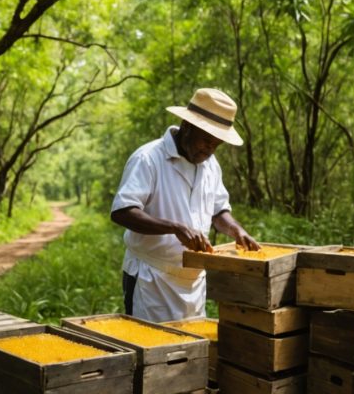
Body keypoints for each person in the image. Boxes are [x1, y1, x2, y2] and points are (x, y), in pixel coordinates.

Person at [111, 88, 260, 322]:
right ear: (187, 125)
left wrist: (235, 230)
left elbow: (219, 210)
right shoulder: (149, 158)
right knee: (151, 352)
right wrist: (173, 227)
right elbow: (122, 211)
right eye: (206, 140)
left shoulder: (211, 166)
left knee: (190, 354)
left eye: (216, 145)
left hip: (193, 283)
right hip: (151, 280)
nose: (209, 149)